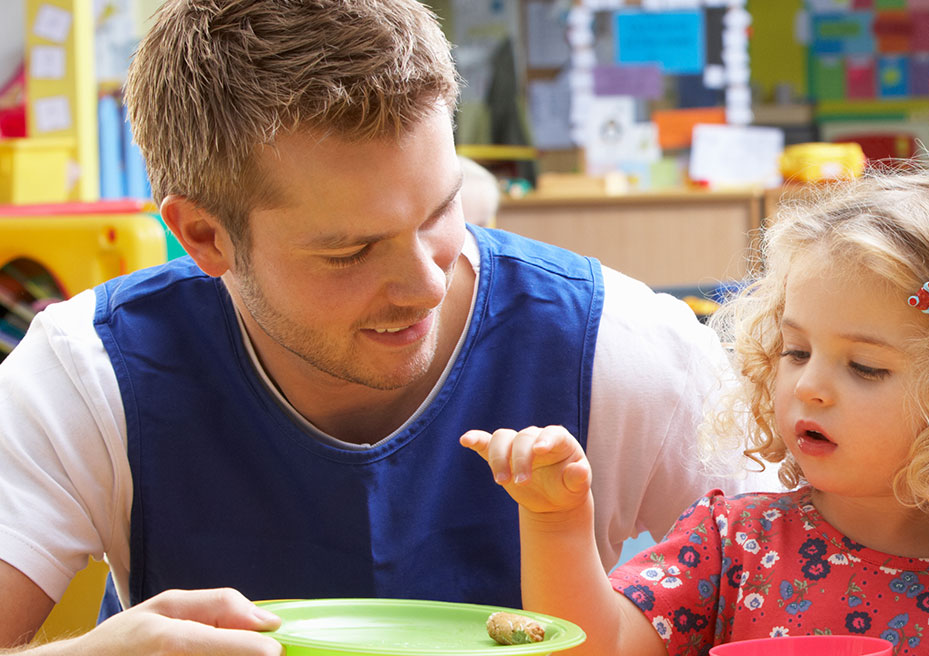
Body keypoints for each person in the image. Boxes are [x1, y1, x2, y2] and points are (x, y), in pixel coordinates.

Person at [0, 0, 743, 652]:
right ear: (204, 236)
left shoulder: (625, 346)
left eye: (439, 212)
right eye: (348, 252)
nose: (426, 282)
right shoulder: (87, 374)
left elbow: (821, 593)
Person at [461, 172, 929, 656]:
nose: (810, 386)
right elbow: (592, 648)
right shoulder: (730, 546)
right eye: (795, 350)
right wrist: (557, 524)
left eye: (865, 367)